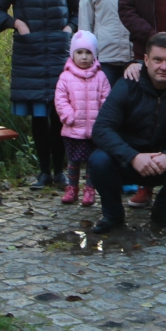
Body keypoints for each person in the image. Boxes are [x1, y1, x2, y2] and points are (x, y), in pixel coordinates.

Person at [0, 0, 81, 189]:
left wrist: (69, 28)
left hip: (61, 54)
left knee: (60, 115)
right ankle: (43, 172)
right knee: (39, 117)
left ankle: (60, 172)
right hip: (30, 55)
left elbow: (81, 9)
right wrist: (16, 23)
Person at [88, 32, 166, 233]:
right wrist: (132, 156)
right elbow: (101, 129)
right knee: (98, 160)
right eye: (158, 60)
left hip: (165, 161)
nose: (164, 67)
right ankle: (113, 214)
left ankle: (164, 211)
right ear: (146, 60)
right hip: (129, 161)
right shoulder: (126, 84)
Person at [53, 31, 111, 206]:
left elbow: (106, 99)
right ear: (72, 54)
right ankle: (72, 188)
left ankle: (90, 189)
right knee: (73, 161)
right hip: (73, 129)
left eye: (88, 53)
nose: (84, 57)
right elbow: (60, 99)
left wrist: (101, 121)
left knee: (92, 162)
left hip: (94, 130)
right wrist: (68, 116)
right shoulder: (66, 77)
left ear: (94, 55)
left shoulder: (100, 76)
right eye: (79, 52)